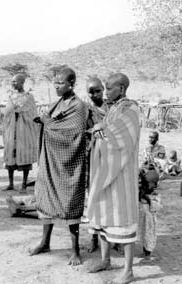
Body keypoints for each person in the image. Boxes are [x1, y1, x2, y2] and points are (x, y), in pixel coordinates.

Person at [31, 67, 88, 266]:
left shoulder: (78, 106)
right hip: (51, 161)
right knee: (46, 199)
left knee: (69, 202)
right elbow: (52, 123)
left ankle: (75, 250)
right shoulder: (57, 103)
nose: (56, 86)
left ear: (71, 83)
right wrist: (45, 122)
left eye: (60, 83)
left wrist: (47, 122)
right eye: (54, 82)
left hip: (69, 164)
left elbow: (75, 133)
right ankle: (45, 242)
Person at [87, 73, 140, 284]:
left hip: (122, 173)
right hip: (105, 169)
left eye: (110, 88)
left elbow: (122, 136)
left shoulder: (131, 109)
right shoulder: (112, 108)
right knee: (103, 213)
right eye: (105, 88)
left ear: (122, 89)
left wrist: (100, 130)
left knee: (123, 218)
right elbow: (104, 131)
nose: (106, 92)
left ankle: (128, 271)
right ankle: (105, 259)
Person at [85, 77, 109, 253]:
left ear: (103, 89)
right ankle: (94, 238)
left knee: (111, 197)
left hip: (112, 157)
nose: (94, 94)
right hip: (94, 157)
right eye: (90, 91)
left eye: (97, 90)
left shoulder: (113, 108)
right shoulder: (86, 111)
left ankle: (114, 239)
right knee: (94, 197)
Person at [2, 74, 38, 192]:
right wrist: (13, 111)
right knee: (10, 155)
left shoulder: (29, 97)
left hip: (24, 131)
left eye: (15, 81)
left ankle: (23, 184)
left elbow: (32, 114)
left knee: (24, 154)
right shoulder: (11, 96)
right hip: (12, 130)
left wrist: (20, 111)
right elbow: (7, 112)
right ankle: (10, 183)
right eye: (12, 82)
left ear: (22, 83)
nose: (13, 84)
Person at [138, 166, 161, 259]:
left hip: (146, 220)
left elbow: (155, 208)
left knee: (147, 235)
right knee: (147, 235)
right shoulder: (148, 195)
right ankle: (147, 253)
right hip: (146, 220)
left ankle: (146, 252)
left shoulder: (148, 195)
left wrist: (149, 199)